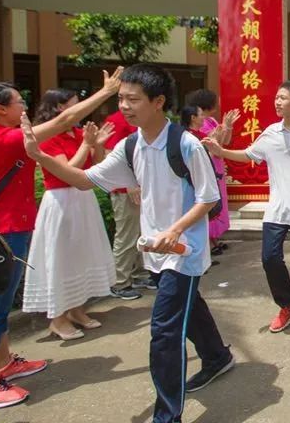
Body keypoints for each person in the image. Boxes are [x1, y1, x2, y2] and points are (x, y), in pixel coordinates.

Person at [21, 63, 234, 423]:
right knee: (188, 307)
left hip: (184, 252)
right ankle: (217, 357)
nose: (124, 106)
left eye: (133, 99)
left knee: (164, 332)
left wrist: (177, 230)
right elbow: (86, 180)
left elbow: (208, 197)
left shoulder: (185, 144)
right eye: (121, 98)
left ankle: (167, 416)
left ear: (158, 101)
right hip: (154, 250)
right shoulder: (130, 145)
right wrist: (40, 157)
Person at [0, 68, 122, 409]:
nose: (23, 106)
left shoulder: (1, 133)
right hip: (3, 231)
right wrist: (105, 92)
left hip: (12, 227)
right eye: (18, 102)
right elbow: (63, 119)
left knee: (1, 301)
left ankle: (4, 362)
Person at [202, 81, 290, 337]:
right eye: (276, 97)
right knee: (269, 258)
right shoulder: (270, 132)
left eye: (283, 98)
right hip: (276, 207)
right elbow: (249, 154)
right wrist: (220, 151)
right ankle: (289, 303)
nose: (277, 102)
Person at [22, 90, 117, 341]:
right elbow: (67, 170)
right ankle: (57, 318)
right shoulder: (47, 135)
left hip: (82, 199)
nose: (81, 112)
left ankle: (77, 309)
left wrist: (97, 145)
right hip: (61, 200)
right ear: (58, 109)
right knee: (61, 259)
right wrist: (87, 145)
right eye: (76, 107)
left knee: (81, 256)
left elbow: (95, 165)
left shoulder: (77, 133)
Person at [104, 108, 154, 300]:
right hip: (125, 190)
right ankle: (119, 282)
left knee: (142, 233)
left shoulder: (143, 118)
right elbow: (110, 156)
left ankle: (139, 274)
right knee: (126, 235)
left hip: (142, 188)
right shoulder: (116, 120)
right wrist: (129, 183)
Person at [185, 89, 241, 257]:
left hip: (216, 162)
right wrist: (221, 130)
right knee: (210, 200)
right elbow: (209, 142)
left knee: (218, 200)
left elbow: (224, 142)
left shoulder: (210, 120)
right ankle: (209, 241)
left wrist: (227, 126)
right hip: (209, 162)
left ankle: (214, 239)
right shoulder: (200, 124)